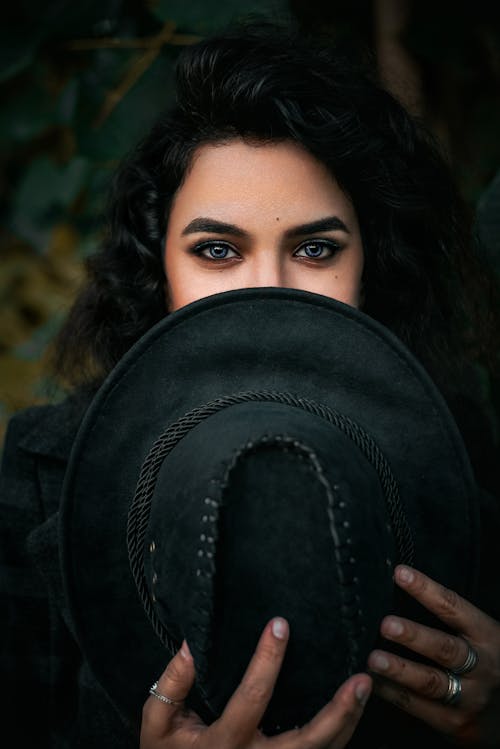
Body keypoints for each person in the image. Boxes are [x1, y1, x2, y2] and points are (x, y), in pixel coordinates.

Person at [1, 18, 499, 749]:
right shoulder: (43, 474)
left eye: (317, 247)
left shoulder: (459, 452)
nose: (268, 291)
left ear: (373, 268)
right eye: (217, 250)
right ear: (158, 268)